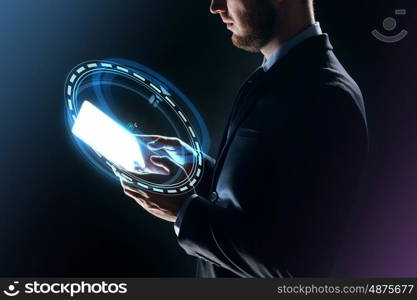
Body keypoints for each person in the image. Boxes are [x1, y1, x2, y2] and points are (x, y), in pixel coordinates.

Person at [121, 0, 368, 277]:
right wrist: (199, 170)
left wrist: (185, 212)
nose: (215, 6)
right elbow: (266, 205)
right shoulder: (276, 74)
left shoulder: (328, 95)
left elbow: (294, 268)